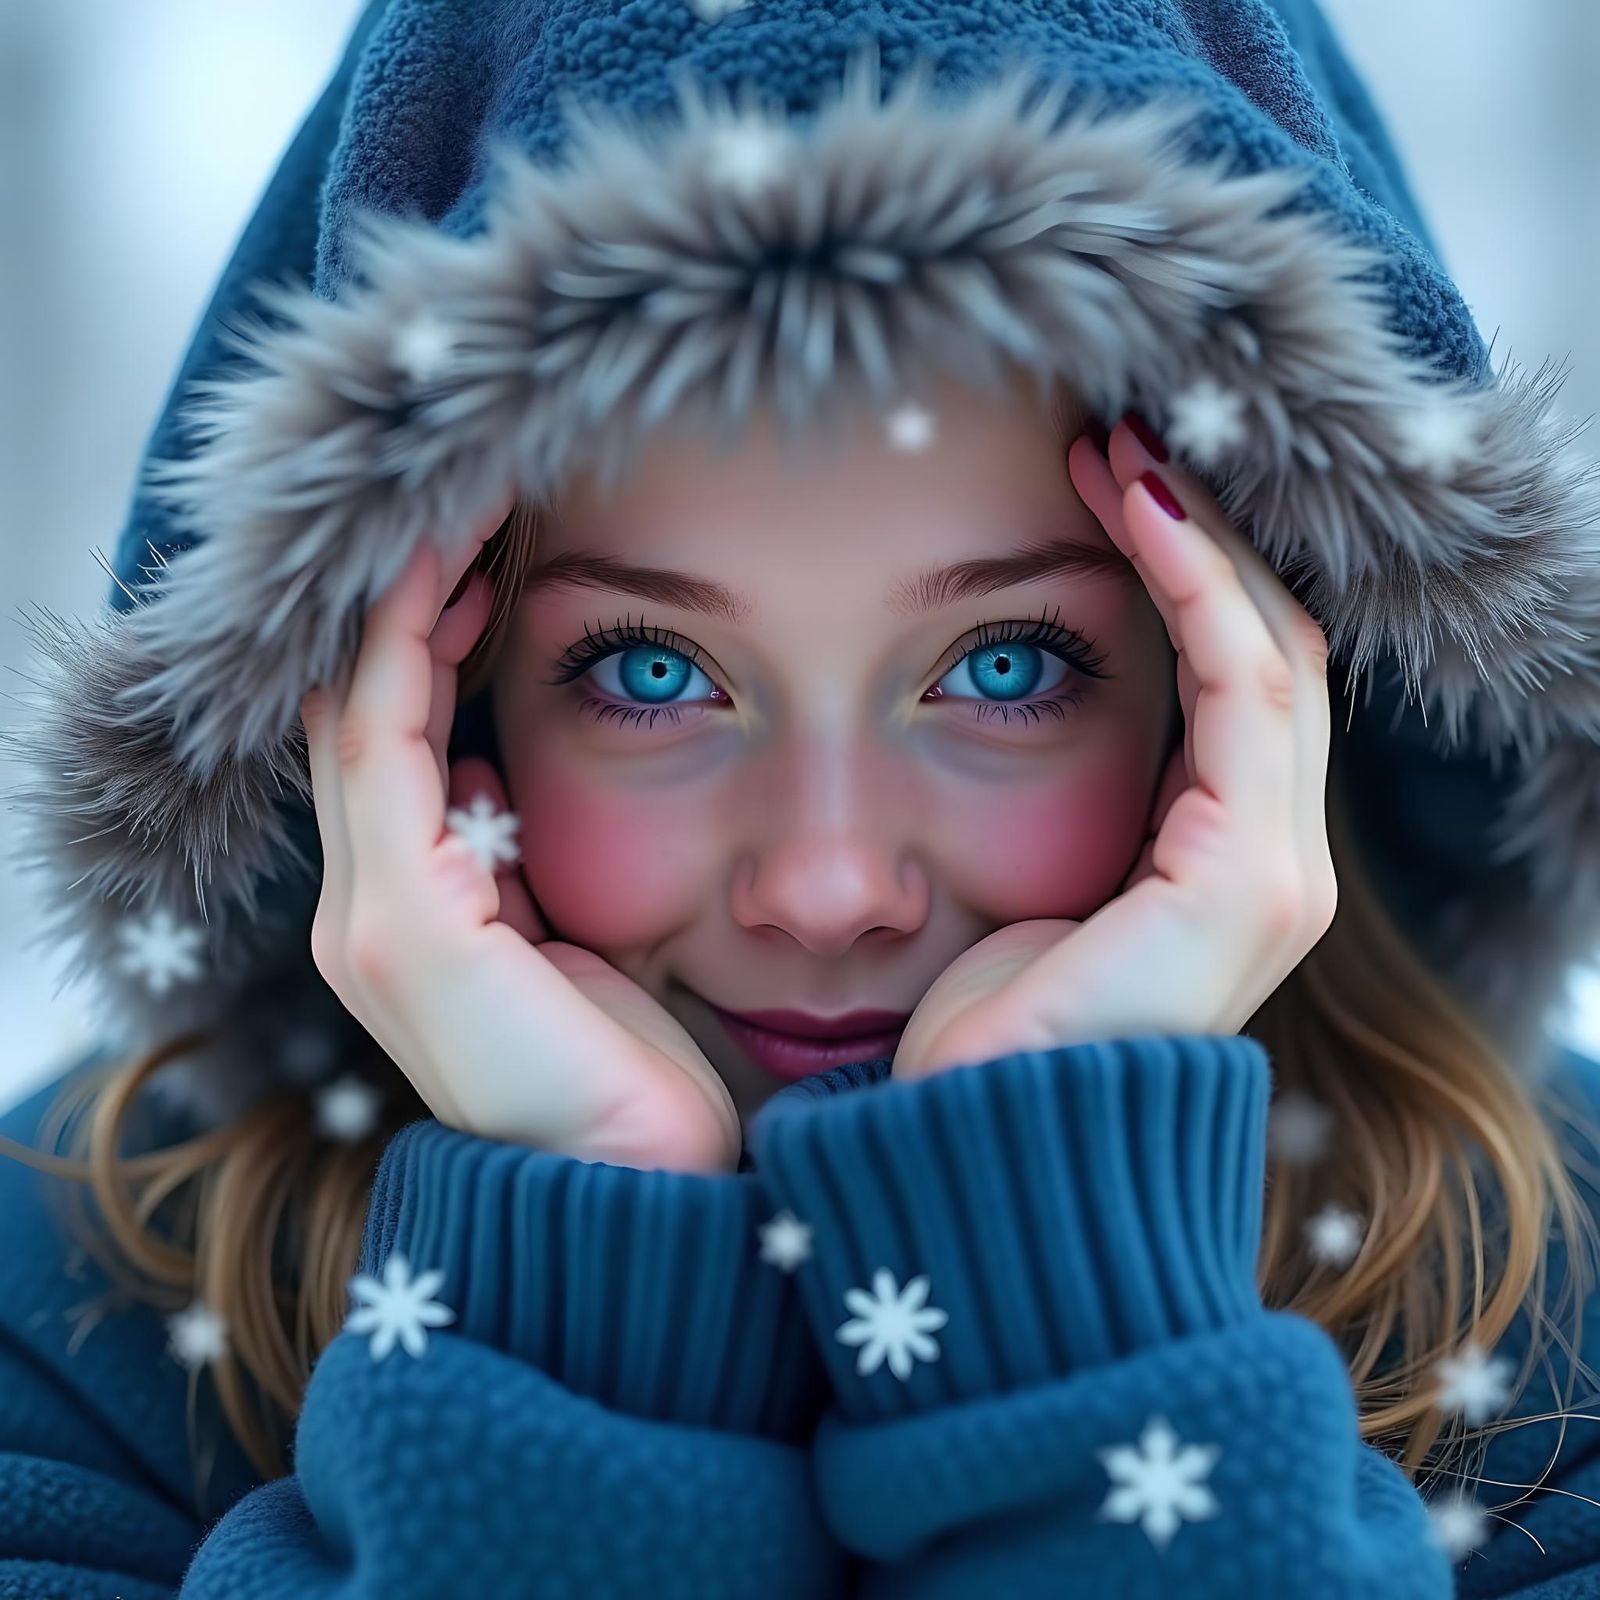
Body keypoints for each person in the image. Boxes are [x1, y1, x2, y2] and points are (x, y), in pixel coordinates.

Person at [3, 0, 1600, 1593]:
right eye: (647, 671)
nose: (828, 885)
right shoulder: (69, 1316)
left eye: (1005, 667)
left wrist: (1061, 1260)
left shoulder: (1558, 1326)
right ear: (419, 705)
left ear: (1245, 691)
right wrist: (583, 1279)